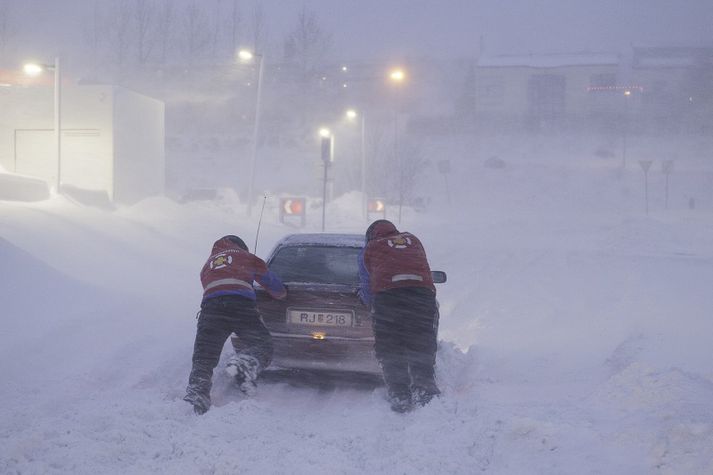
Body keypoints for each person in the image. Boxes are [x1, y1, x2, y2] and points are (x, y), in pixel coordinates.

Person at [184, 235, 286, 415]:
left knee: (204, 357)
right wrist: (282, 294)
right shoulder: (246, 257)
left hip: (211, 311)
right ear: (242, 247)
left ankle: (196, 396)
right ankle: (245, 362)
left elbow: (216, 287)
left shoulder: (207, 265)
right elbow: (274, 287)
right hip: (241, 307)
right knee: (262, 344)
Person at [358, 219, 440, 413]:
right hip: (422, 296)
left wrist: (372, 305)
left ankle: (399, 394)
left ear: (371, 235)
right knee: (422, 342)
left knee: (390, 346)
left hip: (388, 298)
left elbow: (367, 280)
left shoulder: (371, 247)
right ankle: (425, 390)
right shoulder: (413, 239)